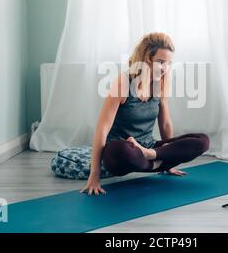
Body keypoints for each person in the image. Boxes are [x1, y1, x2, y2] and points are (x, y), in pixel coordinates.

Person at [80, 32, 209, 195]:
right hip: (124, 153)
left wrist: (169, 161)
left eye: (169, 63)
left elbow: (166, 123)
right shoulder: (123, 82)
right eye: (160, 62)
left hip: (148, 148)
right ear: (146, 59)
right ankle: (156, 160)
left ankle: (151, 155)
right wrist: (94, 174)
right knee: (121, 151)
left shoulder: (159, 83)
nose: (165, 69)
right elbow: (102, 129)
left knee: (203, 140)